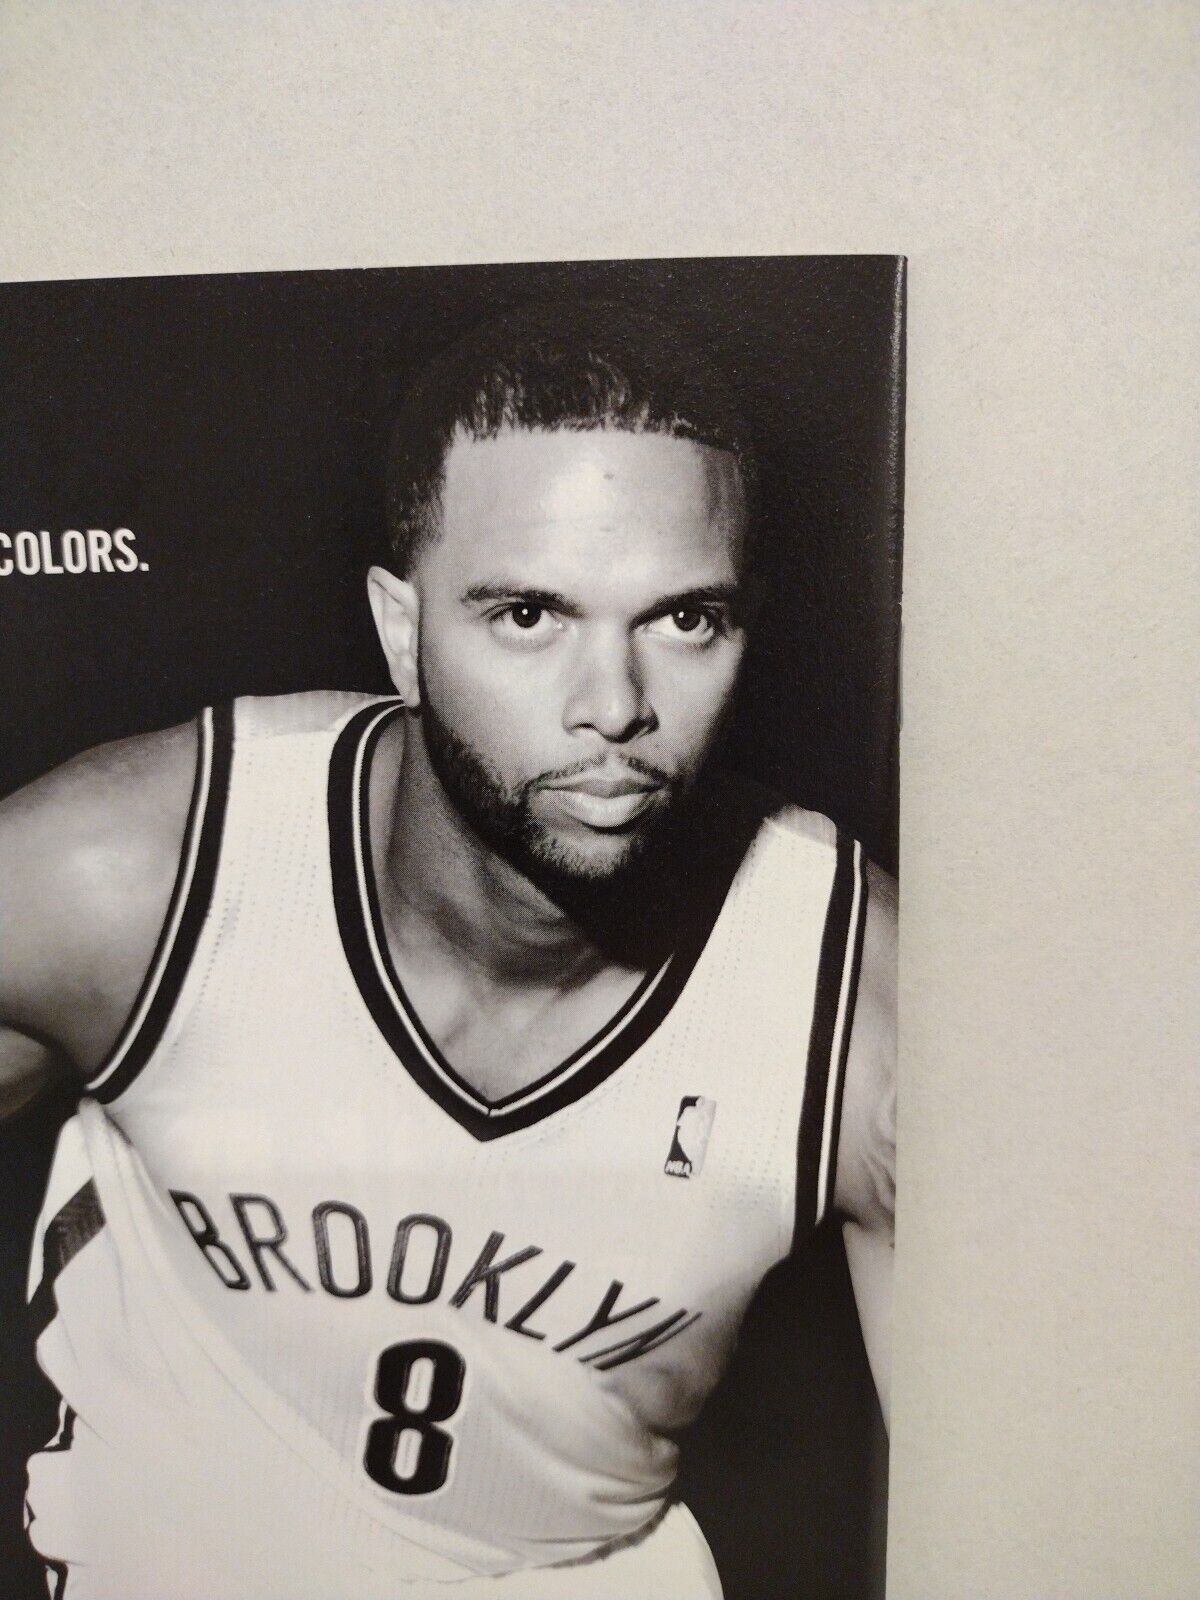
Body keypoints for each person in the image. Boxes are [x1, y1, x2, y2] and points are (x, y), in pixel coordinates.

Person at [0, 302, 896, 1599]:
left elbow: (1026, 1502)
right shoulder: (141, 878)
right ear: (402, 630)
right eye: (529, 615)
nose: (615, 708)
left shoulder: (860, 1007)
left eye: (684, 620)